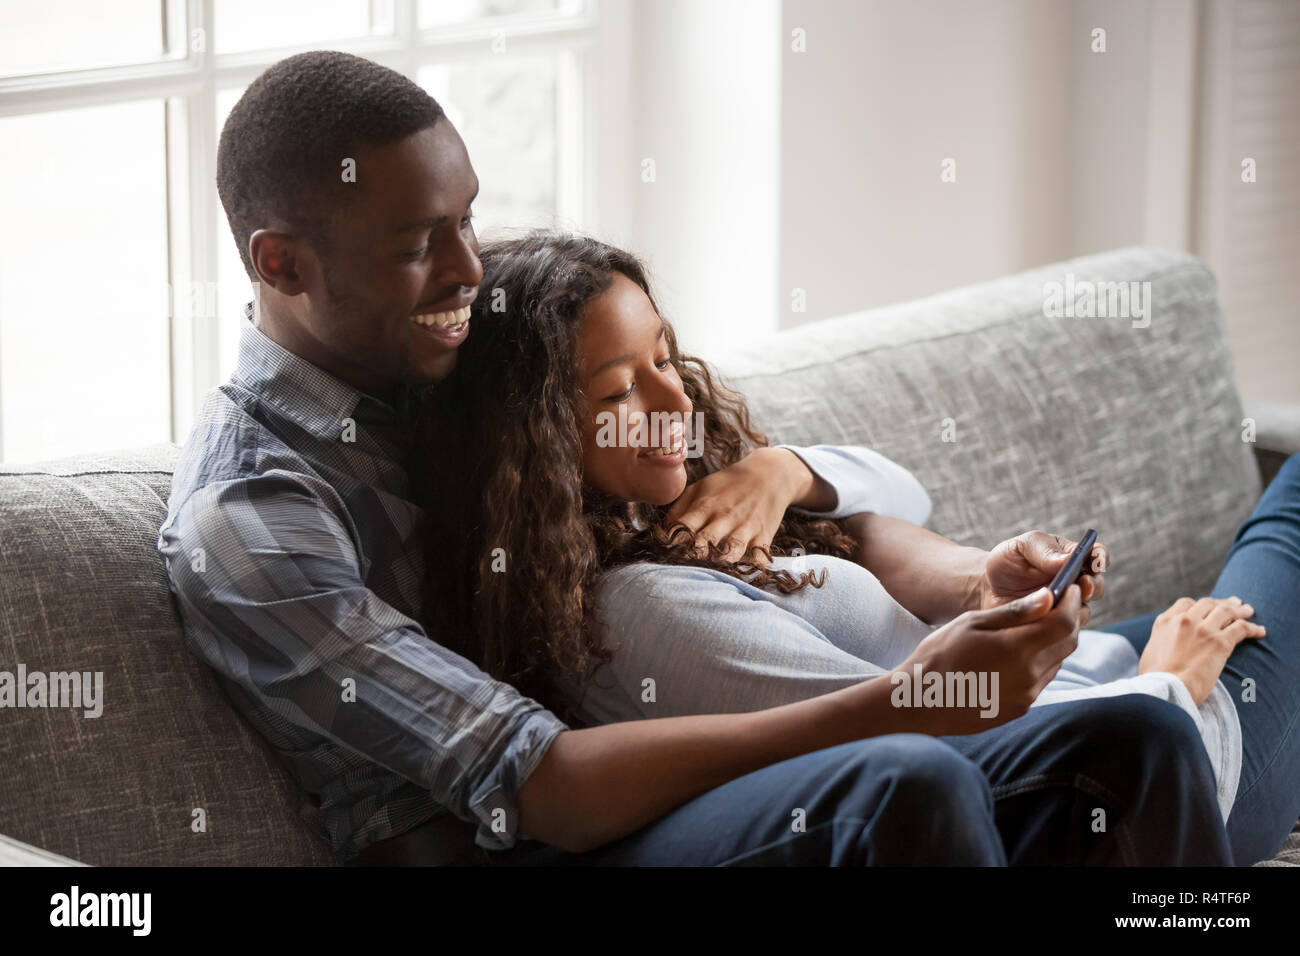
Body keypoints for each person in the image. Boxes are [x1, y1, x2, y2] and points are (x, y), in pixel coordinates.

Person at [158, 50, 1229, 868]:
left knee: (1140, 717)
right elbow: (533, 779)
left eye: (468, 221)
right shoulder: (252, 513)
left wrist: (780, 474)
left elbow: (801, 498)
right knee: (909, 774)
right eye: (417, 245)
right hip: (534, 840)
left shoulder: (447, 357)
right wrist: (905, 697)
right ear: (281, 262)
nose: (467, 268)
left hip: (681, 763)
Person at [415, 230, 1299, 866]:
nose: (672, 401)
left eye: (665, 357)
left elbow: (895, 501)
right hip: (1156, 749)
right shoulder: (640, 613)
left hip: (1098, 684)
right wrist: (1174, 682)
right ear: (535, 445)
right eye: (620, 389)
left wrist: (785, 472)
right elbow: (938, 723)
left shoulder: (681, 514)